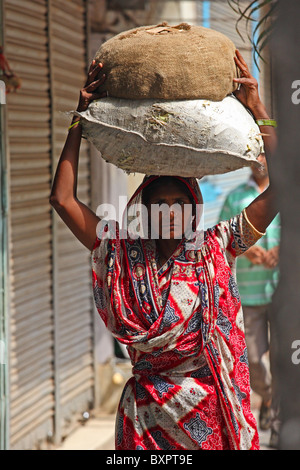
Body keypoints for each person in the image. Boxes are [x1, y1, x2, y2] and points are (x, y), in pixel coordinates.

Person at [50, 50, 278, 450]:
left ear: (194, 210)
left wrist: (258, 109)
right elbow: (62, 200)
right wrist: (78, 120)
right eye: (160, 202)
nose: (170, 212)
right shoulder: (120, 253)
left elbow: (286, 188)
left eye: (180, 203)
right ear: (144, 208)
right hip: (145, 422)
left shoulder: (217, 246)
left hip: (209, 417)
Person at [219, 153, 281, 445]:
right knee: (254, 358)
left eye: (264, 152)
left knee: (285, 357)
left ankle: (281, 412)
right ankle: (268, 398)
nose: (260, 160)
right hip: (249, 292)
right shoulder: (235, 197)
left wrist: (281, 252)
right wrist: (246, 250)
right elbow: (220, 239)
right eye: (254, 154)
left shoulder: (288, 194)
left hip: (284, 291)